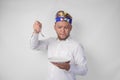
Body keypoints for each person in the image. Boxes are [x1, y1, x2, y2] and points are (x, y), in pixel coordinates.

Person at [30, 10, 88, 80]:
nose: (62, 31)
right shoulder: (50, 41)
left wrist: (68, 67)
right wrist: (36, 32)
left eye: (66, 28)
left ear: (70, 28)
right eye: (59, 27)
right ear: (55, 27)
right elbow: (34, 46)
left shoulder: (76, 46)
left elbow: (84, 70)